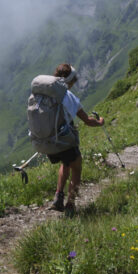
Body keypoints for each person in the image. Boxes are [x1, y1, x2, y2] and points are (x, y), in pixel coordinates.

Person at [49, 63, 104, 214]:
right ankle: (70, 205)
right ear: (70, 80)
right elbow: (87, 120)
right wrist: (99, 122)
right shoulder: (68, 96)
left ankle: (58, 197)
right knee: (76, 167)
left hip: (49, 138)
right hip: (65, 137)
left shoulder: (47, 93)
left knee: (65, 163)